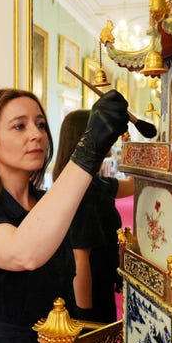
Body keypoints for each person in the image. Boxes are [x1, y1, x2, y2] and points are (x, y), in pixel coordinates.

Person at [0, 88, 129, 343]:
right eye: (20, 126)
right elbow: (23, 252)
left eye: (40, 124)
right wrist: (88, 149)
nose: (37, 134)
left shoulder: (46, 203)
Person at [52, 109, 134, 323]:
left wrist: (134, 153)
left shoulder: (91, 182)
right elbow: (80, 259)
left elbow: (131, 186)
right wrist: (87, 319)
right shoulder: (84, 190)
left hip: (100, 281)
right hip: (90, 292)